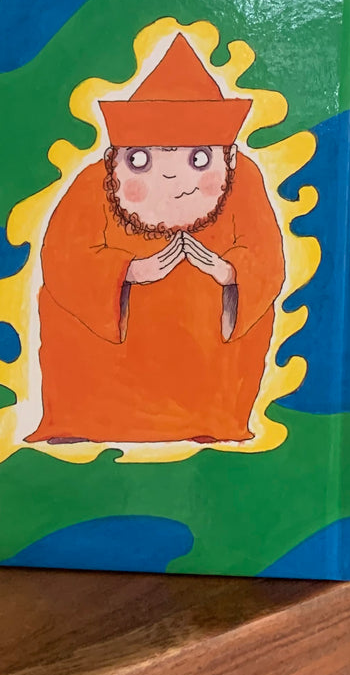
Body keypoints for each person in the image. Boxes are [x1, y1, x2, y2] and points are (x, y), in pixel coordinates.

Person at [26, 34, 286, 445]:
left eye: (197, 159)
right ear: (116, 159)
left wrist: (227, 271)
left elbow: (266, 259)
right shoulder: (96, 183)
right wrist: (128, 271)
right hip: (110, 373)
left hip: (203, 367)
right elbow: (62, 258)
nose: (170, 176)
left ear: (229, 158)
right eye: (141, 159)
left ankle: (212, 420)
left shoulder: (243, 182)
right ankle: (83, 422)